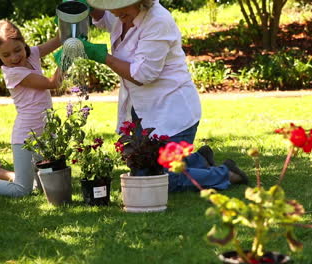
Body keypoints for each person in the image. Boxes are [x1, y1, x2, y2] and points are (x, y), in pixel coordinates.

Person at [83, 0, 248, 191]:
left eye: (122, 13)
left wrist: (103, 56)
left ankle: (226, 173)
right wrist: (86, 9)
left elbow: (143, 75)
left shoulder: (158, 21)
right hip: (142, 110)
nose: (117, 16)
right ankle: (199, 160)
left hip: (173, 111)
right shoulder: (125, 11)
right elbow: (107, 19)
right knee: (142, 173)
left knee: (159, 179)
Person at [0, 20, 62, 197]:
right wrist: (66, 57)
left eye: (17, 50)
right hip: (26, 136)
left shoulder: (31, 54)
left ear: (23, 43)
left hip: (45, 130)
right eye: (6, 55)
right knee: (22, 190)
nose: (14, 57)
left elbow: (59, 39)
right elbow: (53, 83)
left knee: (42, 185)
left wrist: (69, 21)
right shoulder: (13, 73)